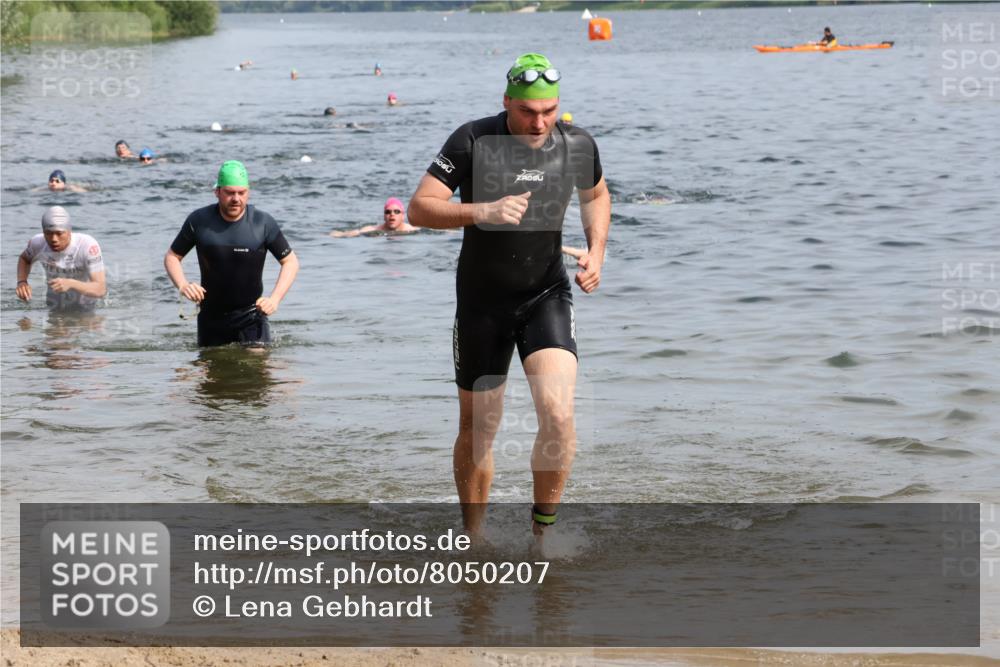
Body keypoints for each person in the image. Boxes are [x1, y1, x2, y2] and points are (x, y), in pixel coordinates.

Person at [407, 53, 611, 538]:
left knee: (558, 415)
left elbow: (597, 195)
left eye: (548, 111)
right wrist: (483, 211)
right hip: (482, 303)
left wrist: (597, 251)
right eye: (527, 112)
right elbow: (419, 209)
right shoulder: (472, 140)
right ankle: (473, 539)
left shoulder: (577, 144)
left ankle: (543, 535)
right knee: (479, 428)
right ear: (506, 102)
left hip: (546, 294)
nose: (539, 123)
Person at [164, 160, 300, 348]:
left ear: (248, 192)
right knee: (210, 366)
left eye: (241, 192)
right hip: (210, 317)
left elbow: (290, 261)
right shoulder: (199, 221)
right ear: (217, 191)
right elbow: (172, 257)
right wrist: (183, 285)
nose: (236, 198)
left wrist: (274, 299)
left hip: (252, 316)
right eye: (229, 192)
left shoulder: (262, 222)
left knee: (258, 363)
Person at [15, 206, 107, 311]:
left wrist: (71, 284)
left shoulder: (87, 245)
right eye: (48, 233)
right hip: (54, 308)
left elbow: (100, 289)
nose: (54, 239)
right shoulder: (37, 243)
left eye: (59, 233)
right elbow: (25, 259)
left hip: (86, 309)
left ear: (69, 231)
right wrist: (22, 281)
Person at [330, 197, 418, 237]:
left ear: (403, 216)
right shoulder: (375, 229)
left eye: (396, 211)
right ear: (384, 217)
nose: (392, 214)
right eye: (388, 212)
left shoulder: (412, 230)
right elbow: (357, 232)